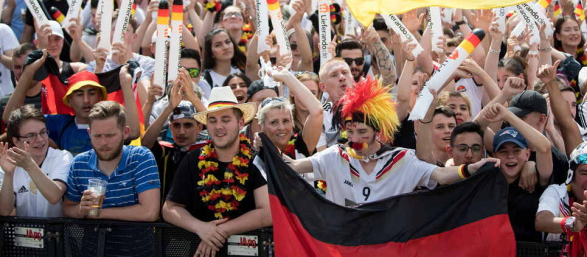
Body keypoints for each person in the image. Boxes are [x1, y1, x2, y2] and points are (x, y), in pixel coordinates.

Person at [284, 77, 490, 206]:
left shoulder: (402, 159)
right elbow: (292, 166)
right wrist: (265, 146)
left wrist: (471, 169)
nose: (355, 139)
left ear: (378, 132)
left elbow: (442, 175)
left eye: (362, 132)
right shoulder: (335, 156)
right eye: (350, 132)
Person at [163, 87, 271, 257]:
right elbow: (169, 209)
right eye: (212, 120)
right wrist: (201, 228)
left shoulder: (255, 160)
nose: (218, 126)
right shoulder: (192, 160)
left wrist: (218, 232)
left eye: (226, 120)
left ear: (241, 123)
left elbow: (267, 213)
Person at [5, 50, 140, 155]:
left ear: (100, 97)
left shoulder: (111, 122)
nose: (86, 100)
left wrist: (125, 83)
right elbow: (11, 119)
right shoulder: (58, 123)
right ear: (69, 100)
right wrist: (28, 73)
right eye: (80, 94)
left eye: (92, 93)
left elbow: (133, 132)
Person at [63, 101, 160, 221]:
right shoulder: (79, 163)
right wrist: (81, 209)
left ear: (125, 133)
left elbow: (149, 213)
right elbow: (67, 208)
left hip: (133, 239)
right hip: (92, 239)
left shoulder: (141, 158)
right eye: (97, 136)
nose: (103, 142)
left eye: (110, 135)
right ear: (89, 133)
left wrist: (96, 213)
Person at [478, 103, 553, 242]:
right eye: (503, 151)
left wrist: (508, 115)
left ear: (527, 154)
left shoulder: (536, 179)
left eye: (516, 150)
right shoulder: (487, 181)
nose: (510, 156)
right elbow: (475, 128)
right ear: (494, 155)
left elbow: (545, 148)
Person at [141, 75, 206, 200]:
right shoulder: (166, 151)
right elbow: (145, 143)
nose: (181, 132)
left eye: (188, 125)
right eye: (176, 125)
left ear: (199, 128)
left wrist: (194, 99)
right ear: (170, 128)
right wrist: (169, 107)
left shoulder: (209, 150)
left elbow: (217, 129)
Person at [0, 105, 72, 217]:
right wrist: (8, 175)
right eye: (31, 135)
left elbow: (54, 196)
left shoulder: (62, 157)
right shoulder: (8, 163)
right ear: (16, 141)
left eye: (43, 132)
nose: (40, 139)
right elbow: (4, 211)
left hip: (55, 232)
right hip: (22, 232)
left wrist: (29, 165)